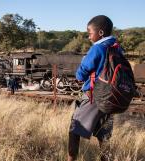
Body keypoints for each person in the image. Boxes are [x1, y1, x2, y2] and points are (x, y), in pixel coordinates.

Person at [67, 15, 118, 161]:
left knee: (74, 129)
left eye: (90, 33)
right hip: (111, 98)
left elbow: (83, 71)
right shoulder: (116, 47)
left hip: (94, 95)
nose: (89, 37)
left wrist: (79, 76)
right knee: (104, 135)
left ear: (100, 33)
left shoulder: (97, 48)